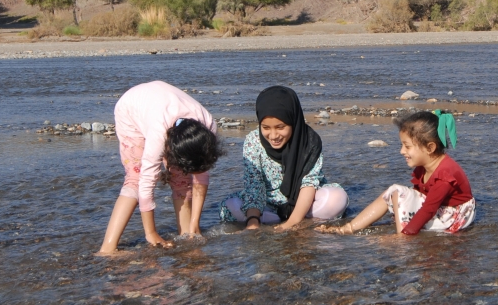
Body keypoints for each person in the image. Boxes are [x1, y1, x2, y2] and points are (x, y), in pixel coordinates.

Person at [99, 81, 222, 254]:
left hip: (162, 108)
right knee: (135, 178)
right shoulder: (158, 137)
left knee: (182, 181)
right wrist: (151, 233)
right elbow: (146, 183)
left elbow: (201, 176)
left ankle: (188, 234)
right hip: (131, 108)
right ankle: (107, 249)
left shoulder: (208, 129)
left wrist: (196, 221)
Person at [317, 110, 474, 236]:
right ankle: (350, 227)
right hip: (441, 208)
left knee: (398, 192)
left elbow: (428, 209)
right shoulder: (425, 165)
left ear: (430, 148)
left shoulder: (445, 175)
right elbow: (420, 195)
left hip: (453, 217)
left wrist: (409, 231)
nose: (401, 151)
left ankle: (403, 238)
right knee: (394, 193)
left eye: (407, 146)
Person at [221, 86, 348, 231]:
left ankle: (297, 220)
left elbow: (309, 184)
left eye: (280, 127)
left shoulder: (309, 142)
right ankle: (298, 222)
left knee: (336, 199)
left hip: (306, 203)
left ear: (293, 121)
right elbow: (254, 185)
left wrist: (291, 223)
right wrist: (253, 221)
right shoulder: (253, 141)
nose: (273, 136)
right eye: (266, 128)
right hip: (268, 205)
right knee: (230, 206)